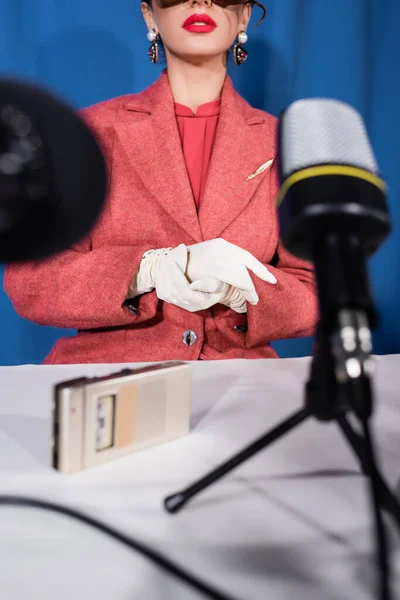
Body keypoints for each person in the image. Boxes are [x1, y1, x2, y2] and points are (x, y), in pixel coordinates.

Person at [4, 0, 318, 364]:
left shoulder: (285, 144)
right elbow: (30, 281)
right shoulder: (90, 133)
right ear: (149, 14)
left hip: (240, 384)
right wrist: (145, 270)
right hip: (110, 377)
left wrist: (246, 292)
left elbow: (320, 290)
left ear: (245, 15)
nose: (201, 1)